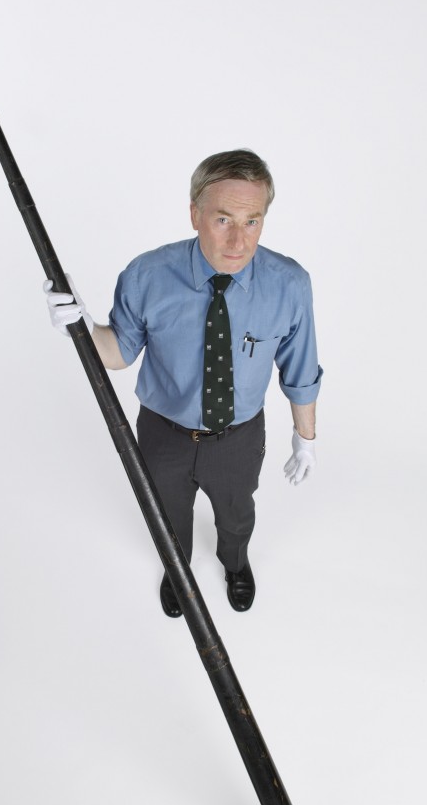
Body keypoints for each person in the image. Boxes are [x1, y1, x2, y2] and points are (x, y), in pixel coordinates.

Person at [45, 149, 322, 618]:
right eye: (223, 219)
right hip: (162, 434)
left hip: (238, 438)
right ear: (195, 214)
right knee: (168, 516)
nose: (238, 240)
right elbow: (119, 354)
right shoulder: (147, 275)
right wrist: (83, 325)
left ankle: (236, 564)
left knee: (237, 515)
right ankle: (178, 571)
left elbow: (300, 369)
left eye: (252, 221)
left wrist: (306, 440)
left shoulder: (289, 284)